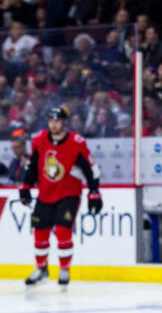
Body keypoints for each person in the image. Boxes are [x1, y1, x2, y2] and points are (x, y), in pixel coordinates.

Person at [19, 107, 103, 289]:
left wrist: (94, 192)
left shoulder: (76, 142)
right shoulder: (39, 140)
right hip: (45, 193)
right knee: (40, 233)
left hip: (68, 194)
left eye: (57, 121)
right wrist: (25, 187)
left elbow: (91, 170)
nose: (54, 124)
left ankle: (64, 269)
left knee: (64, 232)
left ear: (64, 122)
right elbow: (33, 166)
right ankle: (41, 269)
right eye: (51, 121)